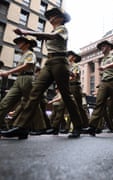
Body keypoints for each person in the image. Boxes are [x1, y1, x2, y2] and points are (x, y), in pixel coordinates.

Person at [1, 8, 82, 139]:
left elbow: (53, 36)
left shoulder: (62, 29)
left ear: (61, 18)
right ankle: (21, 127)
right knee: (34, 93)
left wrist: (27, 32)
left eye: (54, 16)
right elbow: (46, 35)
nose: (51, 19)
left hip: (60, 61)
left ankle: (78, 126)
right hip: (49, 62)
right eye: (49, 17)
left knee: (66, 94)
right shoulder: (51, 31)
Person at [0, 37, 44, 137]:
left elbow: (27, 66)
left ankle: (40, 127)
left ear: (27, 44)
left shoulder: (30, 54)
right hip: (19, 79)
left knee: (31, 103)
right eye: (18, 42)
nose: (18, 43)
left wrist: (8, 72)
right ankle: (6, 127)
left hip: (27, 79)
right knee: (5, 102)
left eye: (21, 42)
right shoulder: (23, 55)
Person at [83, 40, 113, 136]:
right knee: (98, 104)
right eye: (101, 47)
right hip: (104, 83)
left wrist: (105, 67)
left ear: (109, 47)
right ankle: (92, 127)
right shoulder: (102, 59)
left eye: (103, 46)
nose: (102, 48)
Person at [67, 51, 89, 128]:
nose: (68, 57)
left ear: (74, 57)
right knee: (69, 106)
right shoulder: (68, 66)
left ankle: (85, 125)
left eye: (69, 56)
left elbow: (74, 76)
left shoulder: (76, 66)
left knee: (79, 106)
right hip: (68, 86)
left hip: (75, 86)